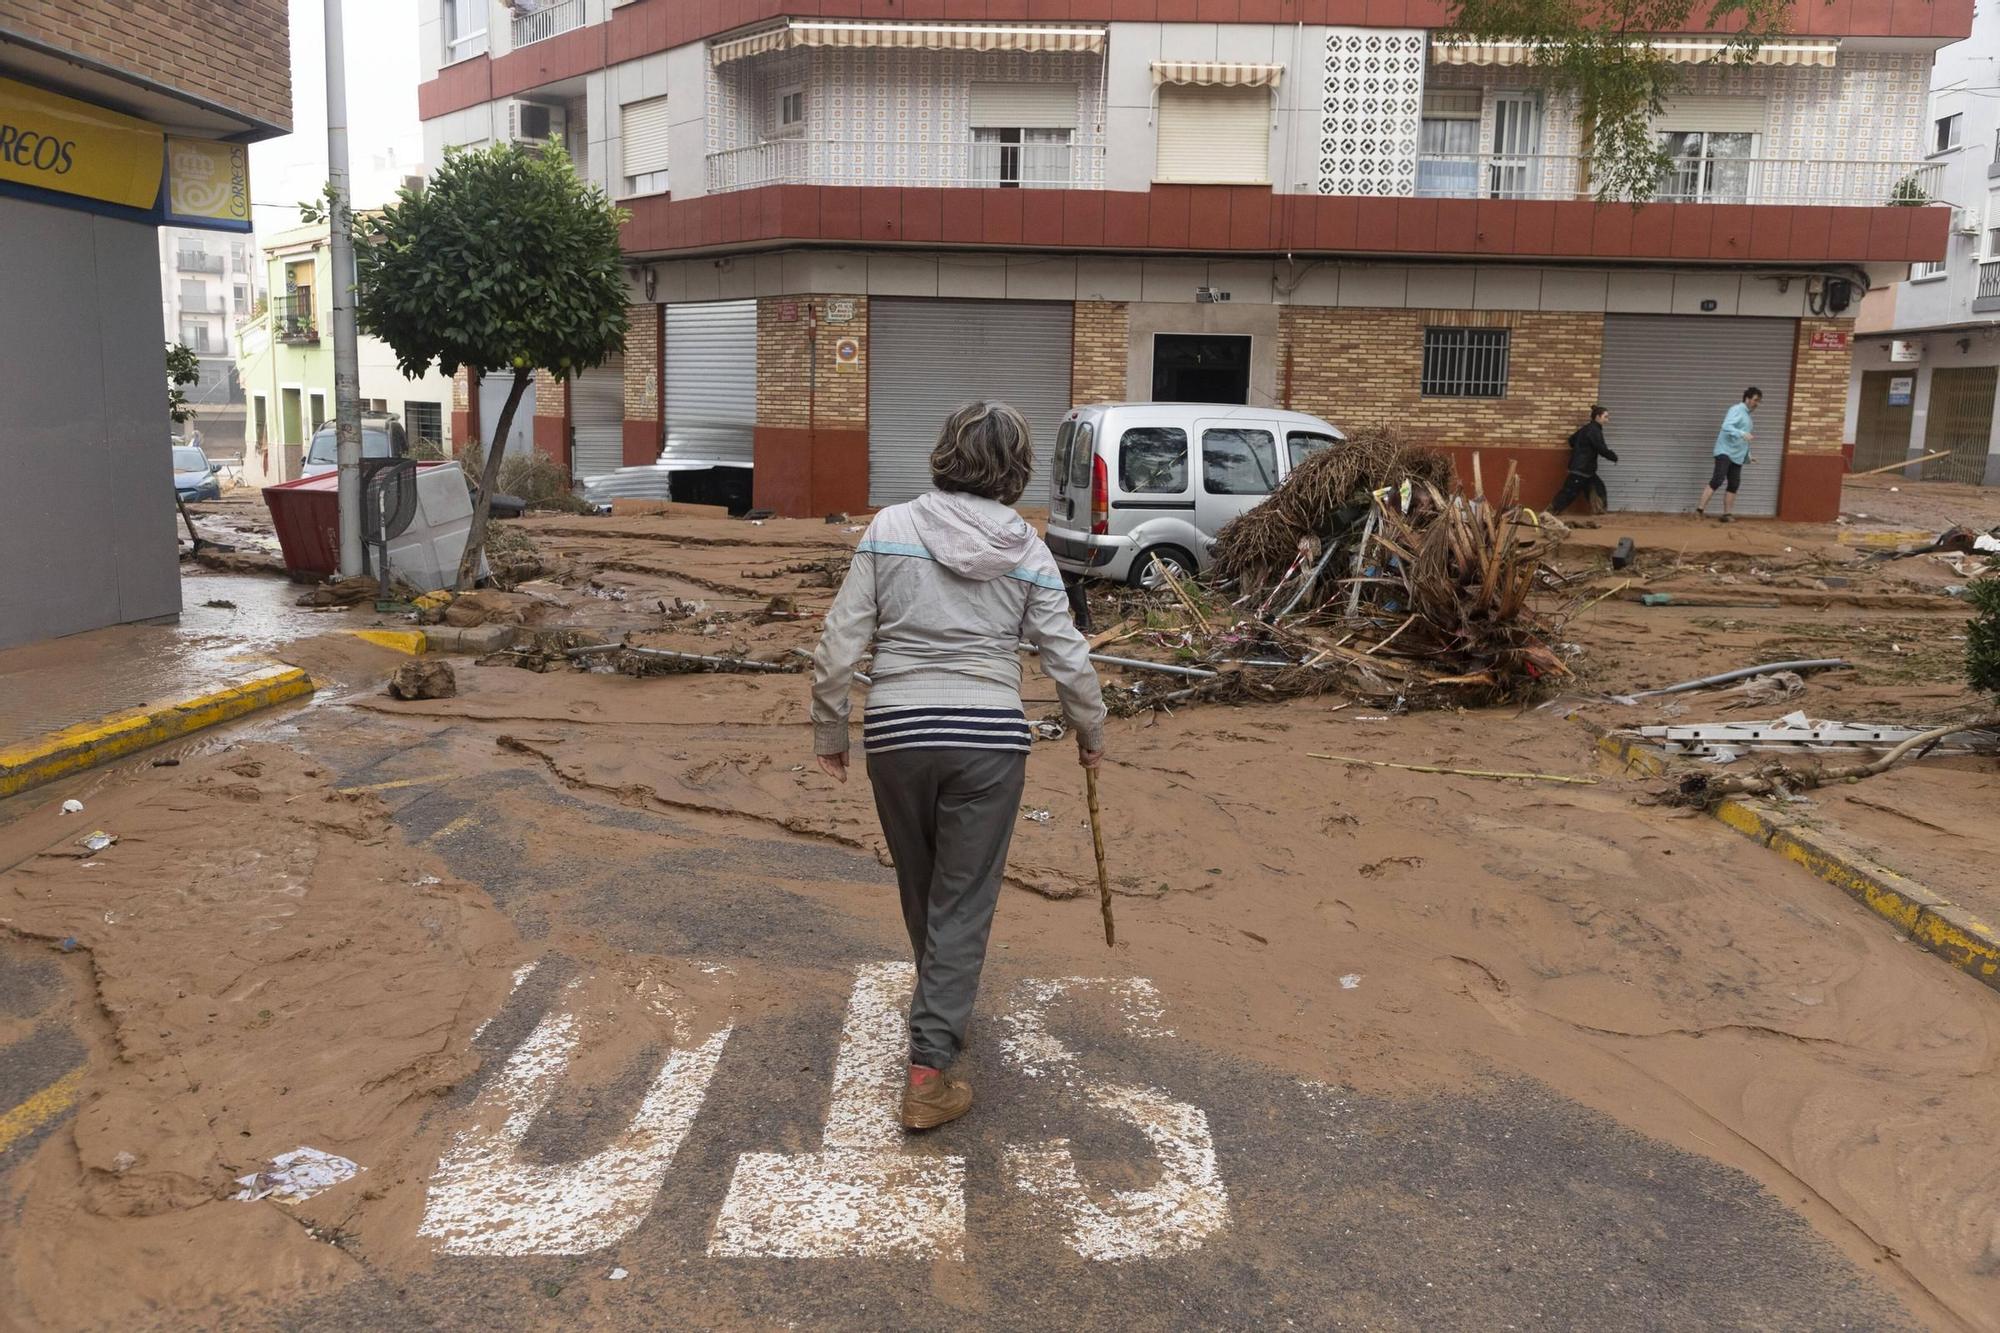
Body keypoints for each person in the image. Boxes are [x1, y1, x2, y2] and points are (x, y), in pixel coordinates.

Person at [810, 401, 1108, 1132]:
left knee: (926, 889)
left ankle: (939, 1018)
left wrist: (830, 729)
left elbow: (838, 643)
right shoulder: (1029, 550)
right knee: (963, 900)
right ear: (1017, 469)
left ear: (945, 452)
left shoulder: (888, 529)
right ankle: (927, 1070)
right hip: (988, 741)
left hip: (897, 735)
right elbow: (1066, 653)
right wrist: (1090, 726)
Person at [1696, 387, 1761, 523]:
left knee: (1734, 483)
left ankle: (1727, 515)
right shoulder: (1736, 409)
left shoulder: (1748, 418)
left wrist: (1748, 456)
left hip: (1737, 456)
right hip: (1724, 451)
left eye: (1759, 401)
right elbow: (1726, 426)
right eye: (1755, 400)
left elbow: (1744, 441)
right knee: (1718, 479)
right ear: (1747, 399)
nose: (1757, 403)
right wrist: (1742, 433)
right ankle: (1699, 511)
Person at [1549, 405, 1616, 515]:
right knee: (1569, 492)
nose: (1607, 420)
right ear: (1598, 417)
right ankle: (1551, 511)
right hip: (1581, 469)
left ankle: (1599, 510)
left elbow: (1571, 440)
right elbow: (1601, 448)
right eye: (1606, 417)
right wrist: (1613, 456)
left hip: (1586, 469)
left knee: (1598, 488)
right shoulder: (1594, 431)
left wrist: (1581, 448)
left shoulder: (1586, 429)